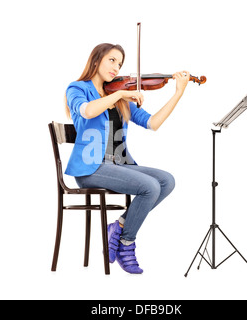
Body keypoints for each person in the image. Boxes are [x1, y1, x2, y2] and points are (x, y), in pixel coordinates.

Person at [65, 43, 189, 274]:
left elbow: (153, 123)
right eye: (111, 60)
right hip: (90, 168)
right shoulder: (78, 89)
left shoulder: (119, 97)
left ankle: (118, 227)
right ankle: (126, 243)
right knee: (149, 187)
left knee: (166, 181)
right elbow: (87, 111)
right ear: (96, 60)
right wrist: (121, 93)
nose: (116, 67)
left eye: (120, 63)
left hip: (118, 164)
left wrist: (178, 93)